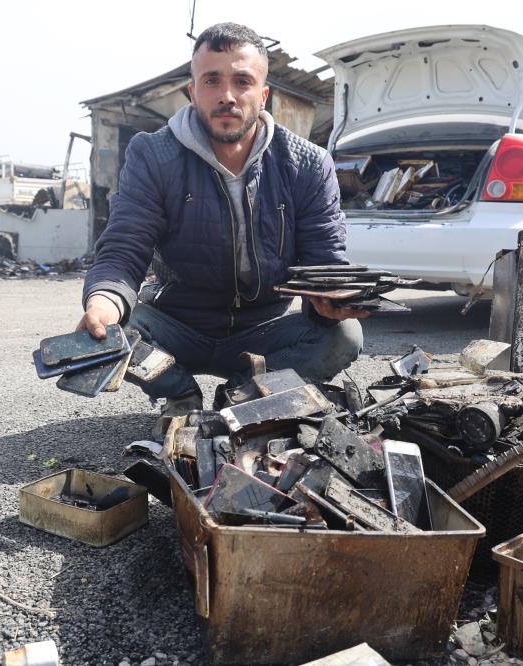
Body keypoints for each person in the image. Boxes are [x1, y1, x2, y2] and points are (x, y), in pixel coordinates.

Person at [76, 22, 366, 413]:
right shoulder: (152, 155)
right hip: (176, 328)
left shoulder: (308, 164)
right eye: (212, 81)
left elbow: (323, 262)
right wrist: (104, 301)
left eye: (242, 81)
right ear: (192, 92)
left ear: (263, 95)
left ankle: (242, 395)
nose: (227, 95)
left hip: (263, 332)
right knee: (112, 328)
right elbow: (125, 246)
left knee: (344, 334)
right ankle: (179, 394)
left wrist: (327, 303)